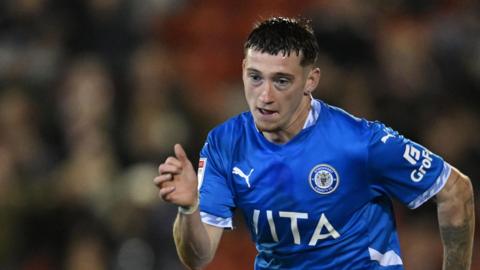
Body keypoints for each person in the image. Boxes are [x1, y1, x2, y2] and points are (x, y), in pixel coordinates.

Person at [154, 17, 475, 270]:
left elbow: (456, 191)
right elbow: (198, 257)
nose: (264, 97)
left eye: (281, 80)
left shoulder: (359, 143)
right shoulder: (225, 143)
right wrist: (189, 208)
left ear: (311, 80)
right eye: (255, 77)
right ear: (242, 71)